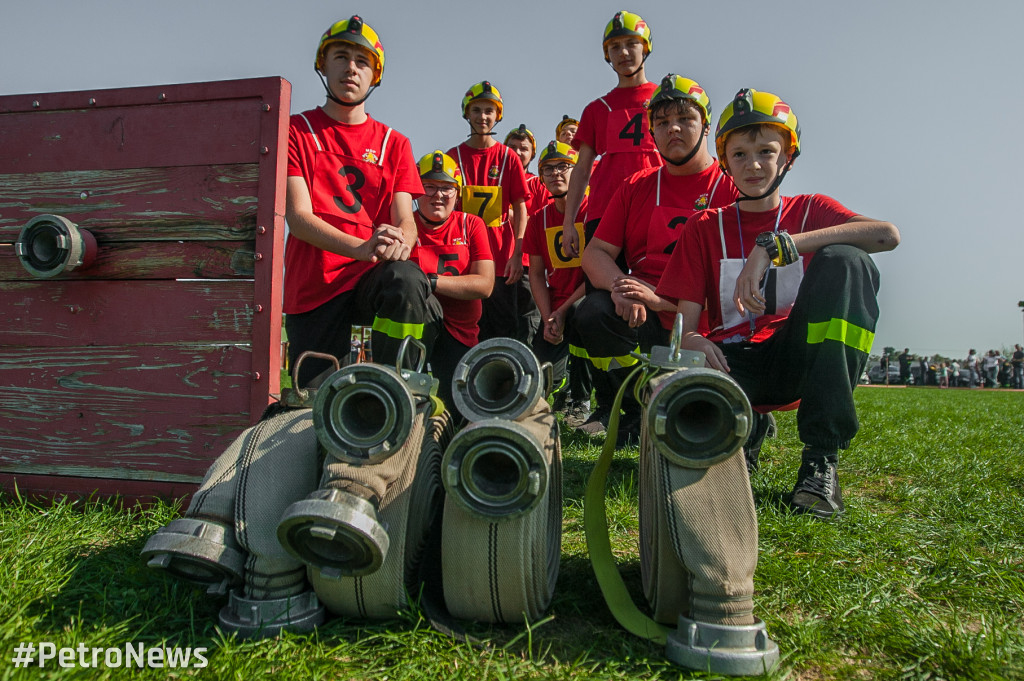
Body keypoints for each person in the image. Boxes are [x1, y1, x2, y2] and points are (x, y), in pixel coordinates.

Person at [656, 88, 900, 519]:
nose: (753, 164)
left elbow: (886, 235)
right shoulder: (703, 227)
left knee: (846, 259)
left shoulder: (810, 210)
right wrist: (693, 340)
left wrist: (778, 245)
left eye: (767, 151)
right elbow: (686, 327)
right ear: (725, 161)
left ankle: (821, 459)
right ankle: (744, 430)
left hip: (800, 357)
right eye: (740, 153)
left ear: (788, 157)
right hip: (734, 362)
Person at [570, 75, 738, 447]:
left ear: (707, 126)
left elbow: (739, 289)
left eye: (684, 118)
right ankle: (632, 408)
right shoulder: (635, 186)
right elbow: (595, 253)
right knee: (592, 312)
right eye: (661, 122)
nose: (672, 128)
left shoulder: (732, 188)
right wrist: (622, 289)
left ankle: (746, 402)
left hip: (706, 322)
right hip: (642, 315)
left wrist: (661, 300)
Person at [283, 15, 441, 387]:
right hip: (316, 287)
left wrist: (401, 241)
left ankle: (398, 385)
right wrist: (362, 246)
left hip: (371, 280)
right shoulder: (294, 130)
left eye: (363, 61)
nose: (351, 68)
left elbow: (406, 219)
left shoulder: (395, 143)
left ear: (376, 75)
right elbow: (298, 217)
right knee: (315, 407)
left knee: (406, 278)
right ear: (322, 64)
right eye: (341, 56)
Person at [561, 10, 662, 260]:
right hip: (604, 214)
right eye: (615, 47)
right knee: (599, 299)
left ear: (646, 47)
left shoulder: (666, 100)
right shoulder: (596, 109)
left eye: (631, 44)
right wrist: (569, 221)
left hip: (656, 210)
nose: (624, 53)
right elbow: (582, 169)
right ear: (607, 55)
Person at [447, 82, 538, 344]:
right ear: (467, 113)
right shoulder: (453, 157)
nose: (483, 116)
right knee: (468, 329)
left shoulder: (508, 157)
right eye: (476, 109)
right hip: (465, 259)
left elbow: (521, 208)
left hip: (501, 257)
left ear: (497, 115)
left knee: (503, 329)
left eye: (489, 110)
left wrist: (517, 253)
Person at [410, 151, 494, 407]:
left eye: (447, 188)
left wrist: (430, 283)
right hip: (417, 331)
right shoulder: (406, 225)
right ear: (415, 191)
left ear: (457, 193)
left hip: (460, 333)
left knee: (457, 410)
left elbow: (485, 285)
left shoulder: (472, 225)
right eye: (430, 186)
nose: (438, 195)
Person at [523, 141, 592, 426]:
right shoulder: (538, 219)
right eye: (548, 169)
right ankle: (561, 390)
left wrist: (562, 311)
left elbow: (595, 274)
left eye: (564, 166)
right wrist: (548, 314)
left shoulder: (595, 210)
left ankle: (582, 399)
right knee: (537, 382)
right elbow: (537, 274)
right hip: (556, 305)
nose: (556, 174)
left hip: (588, 298)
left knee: (584, 315)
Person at [506, 124, 550, 217]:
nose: (517, 152)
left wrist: (510, 215)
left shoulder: (539, 184)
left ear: (532, 155)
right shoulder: (493, 180)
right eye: (512, 147)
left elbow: (548, 220)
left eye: (524, 149)